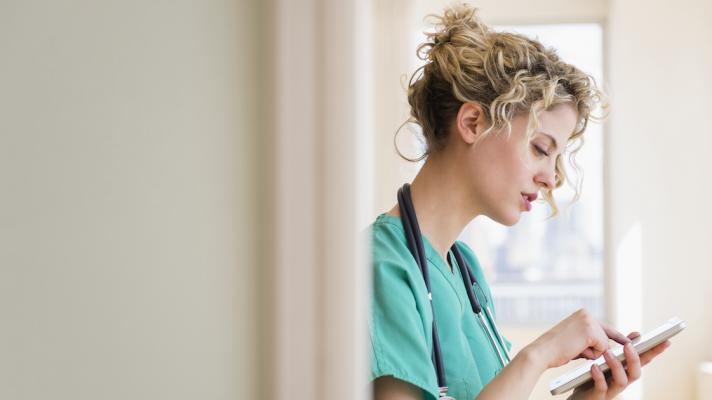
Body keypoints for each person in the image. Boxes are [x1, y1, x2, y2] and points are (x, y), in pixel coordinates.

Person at [369, 4, 671, 400]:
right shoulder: (381, 267)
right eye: (541, 149)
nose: (551, 178)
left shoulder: (465, 270)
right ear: (473, 123)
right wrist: (539, 354)